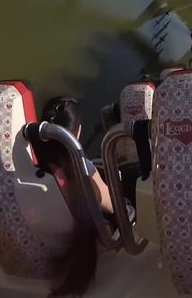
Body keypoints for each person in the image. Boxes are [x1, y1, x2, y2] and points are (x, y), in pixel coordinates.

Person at [38, 96, 113, 296]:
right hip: (81, 247)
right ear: (77, 132)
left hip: (47, 243)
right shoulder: (83, 170)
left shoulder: (32, 172)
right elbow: (112, 205)